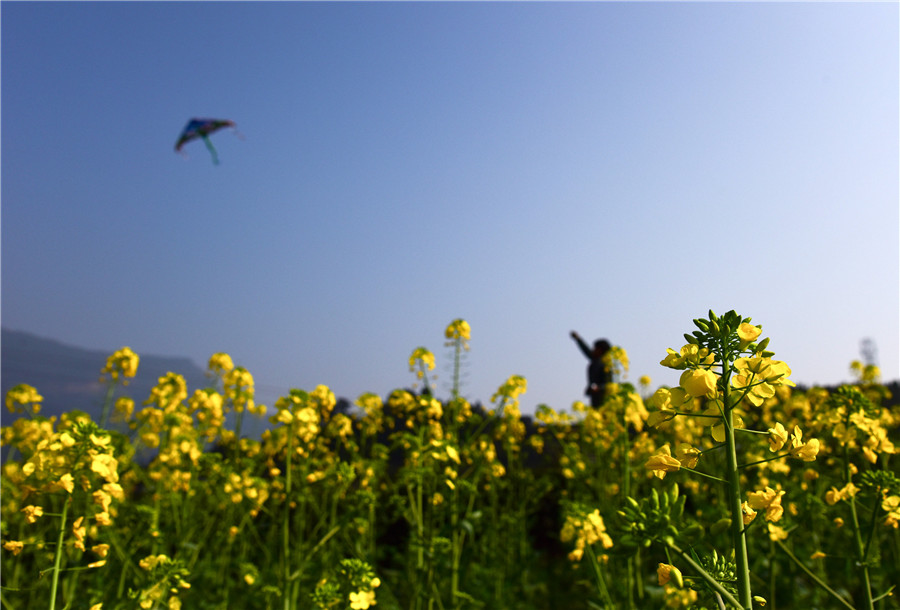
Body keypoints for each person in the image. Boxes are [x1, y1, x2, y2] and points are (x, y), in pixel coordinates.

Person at [570, 331, 612, 407]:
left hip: (604, 399)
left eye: (595, 348)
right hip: (595, 398)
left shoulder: (606, 365)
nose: (593, 350)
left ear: (600, 351)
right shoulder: (596, 360)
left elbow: (609, 384)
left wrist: (599, 388)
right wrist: (578, 339)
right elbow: (586, 351)